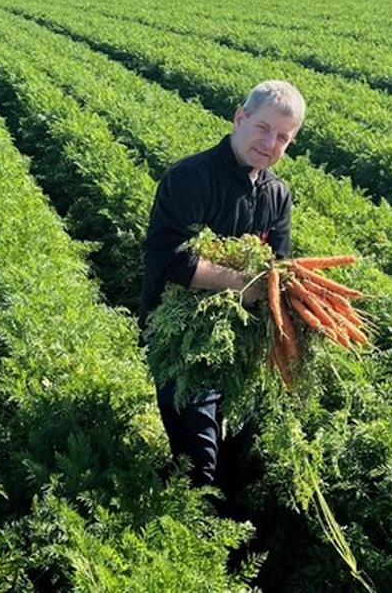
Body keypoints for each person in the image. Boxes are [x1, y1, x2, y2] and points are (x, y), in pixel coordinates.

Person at [138, 80, 305, 497]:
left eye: (283, 137)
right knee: (199, 458)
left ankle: (226, 517)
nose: (270, 143)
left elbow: (277, 269)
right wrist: (241, 283)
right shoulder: (191, 178)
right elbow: (165, 257)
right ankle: (188, 523)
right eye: (263, 128)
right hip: (180, 339)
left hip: (243, 344)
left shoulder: (278, 196)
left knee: (236, 447)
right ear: (239, 117)